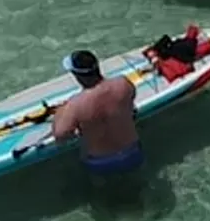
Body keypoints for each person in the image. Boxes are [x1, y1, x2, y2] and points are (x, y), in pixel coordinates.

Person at [52, 49, 143, 181]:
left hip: (101, 163)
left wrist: (61, 112)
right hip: (133, 153)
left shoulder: (76, 104)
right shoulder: (123, 84)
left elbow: (60, 136)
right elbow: (130, 104)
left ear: (76, 75)